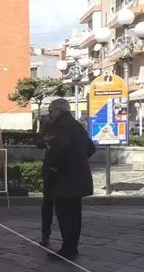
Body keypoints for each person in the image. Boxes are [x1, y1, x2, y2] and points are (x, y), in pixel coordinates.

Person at [44, 98, 96, 260]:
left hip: (64, 179)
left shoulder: (62, 126)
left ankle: (68, 250)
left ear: (59, 111)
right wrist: (78, 160)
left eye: (51, 111)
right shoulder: (77, 125)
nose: (50, 114)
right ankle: (72, 247)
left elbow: (61, 150)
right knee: (75, 215)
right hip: (77, 178)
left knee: (65, 216)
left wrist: (54, 166)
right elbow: (91, 147)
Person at [35, 114, 54, 247]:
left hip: (64, 172)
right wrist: (44, 141)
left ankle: (69, 244)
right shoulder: (49, 126)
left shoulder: (72, 127)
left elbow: (89, 148)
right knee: (47, 205)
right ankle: (45, 236)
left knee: (65, 208)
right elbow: (39, 142)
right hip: (50, 171)